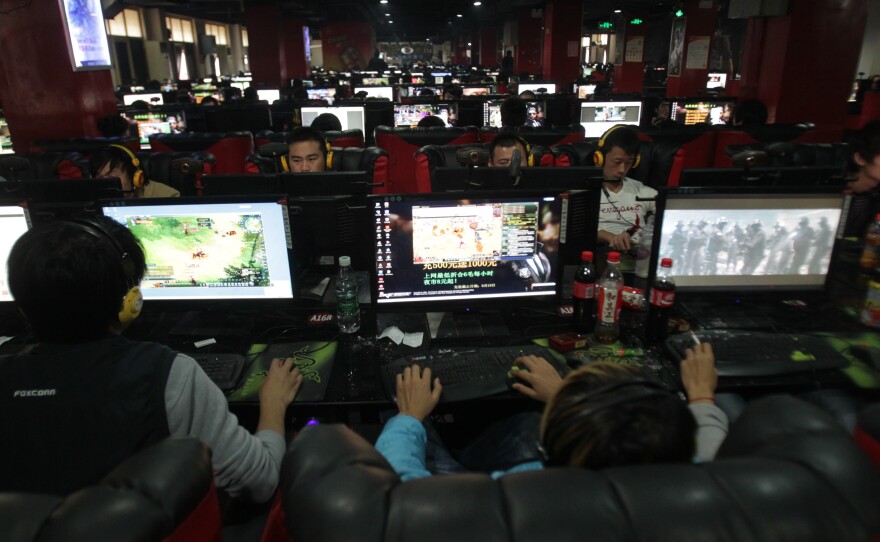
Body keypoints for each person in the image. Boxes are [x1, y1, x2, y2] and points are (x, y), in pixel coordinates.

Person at [0, 216, 303, 504]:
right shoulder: (167, 374)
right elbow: (260, 482)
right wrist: (273, 405)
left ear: (23, 308)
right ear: (129, 302)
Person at [375, 343, 726, 480]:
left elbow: (400, 488)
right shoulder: (705, 479)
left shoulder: (515, 490)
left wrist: (409, 416)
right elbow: (708, 442)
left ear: (550, 449)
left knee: (417, 424)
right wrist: (700, 398)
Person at [596, 125, 657, 256]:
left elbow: (668, 206)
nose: (622, 170)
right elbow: (578, 230)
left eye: (629, 162)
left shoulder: (638, 189)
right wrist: (610, 237)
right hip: (604, 253)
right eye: (617, 162)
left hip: (640, 255)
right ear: (599, 158)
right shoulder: (586, 192)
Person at [90, 145, 180, 198]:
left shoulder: (167, 196)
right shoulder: (92, 200)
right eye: (100, 178)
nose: (105, 184)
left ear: (135, 177)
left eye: (112, 178)